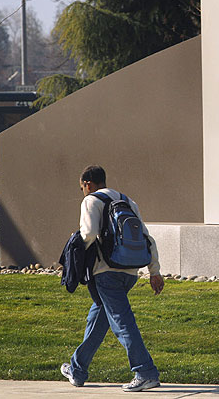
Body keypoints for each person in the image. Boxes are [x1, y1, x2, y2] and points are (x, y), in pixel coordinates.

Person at [61, 165, 165, 392]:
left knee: (122, 322)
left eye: (82, 188)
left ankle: (145, 372)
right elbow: (148, 239)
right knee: (97, 319)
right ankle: (77, 370)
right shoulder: (128, 201)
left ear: (88, 184)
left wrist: (75, 249)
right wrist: (154, 272)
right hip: (129, 272)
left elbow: (88, 234)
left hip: (105, 272)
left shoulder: (91, 201)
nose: (83, 192)